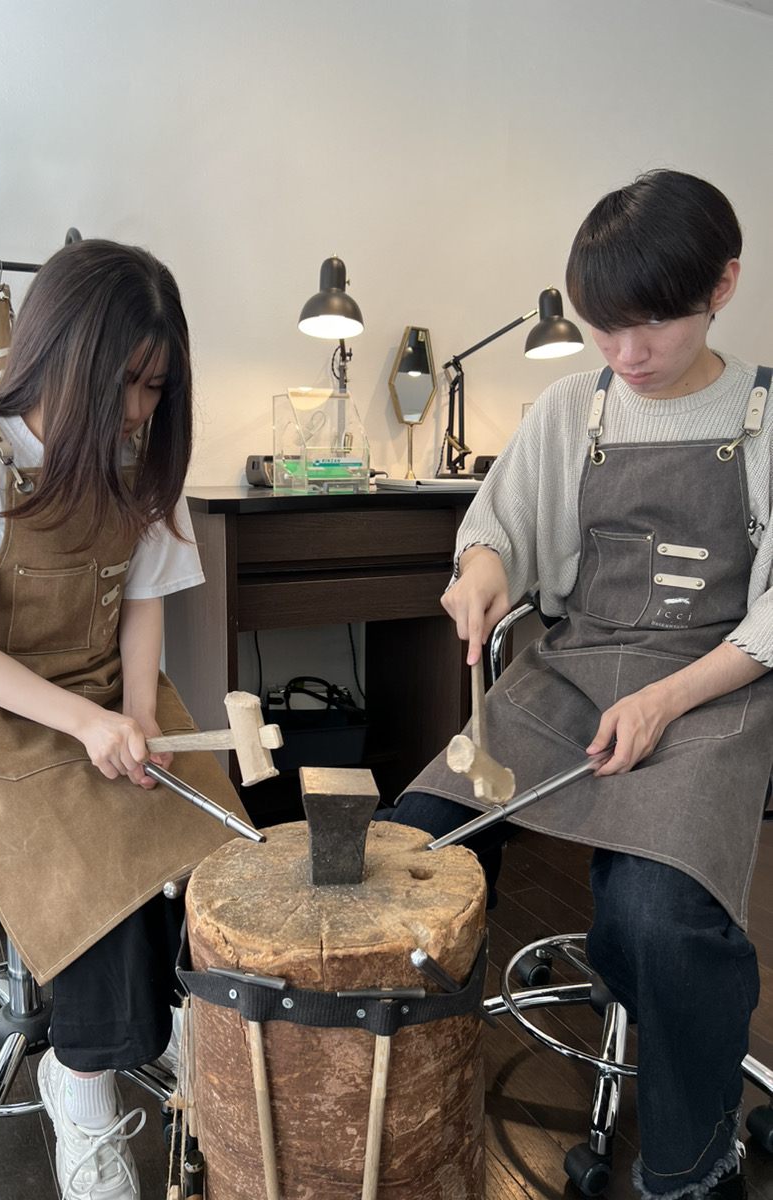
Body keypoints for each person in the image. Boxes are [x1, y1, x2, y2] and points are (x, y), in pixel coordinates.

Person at [380, 169, 773, 1200]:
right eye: (605, 327)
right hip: (572, 671)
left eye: (652, 325)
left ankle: (695, 1161)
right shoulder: (575, 407)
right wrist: (482, 573)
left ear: (723, 285)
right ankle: (401, 1106)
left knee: (658, 913)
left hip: (714, 691)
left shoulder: (765, 416)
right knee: (413, 849)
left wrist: (667, 697)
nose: (625, 354)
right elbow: (499, 526)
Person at [0, 239, 254, 1200]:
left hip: (105, 694)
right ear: (64, 355)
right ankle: (82, 1091)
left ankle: (172, 1028)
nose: (140, 410)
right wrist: (86, 728)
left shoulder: (137, 465)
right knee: (98, 863)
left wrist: (137, 716)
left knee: (210, 840)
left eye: (157, 388)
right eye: (126, 383)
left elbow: (141, 610)